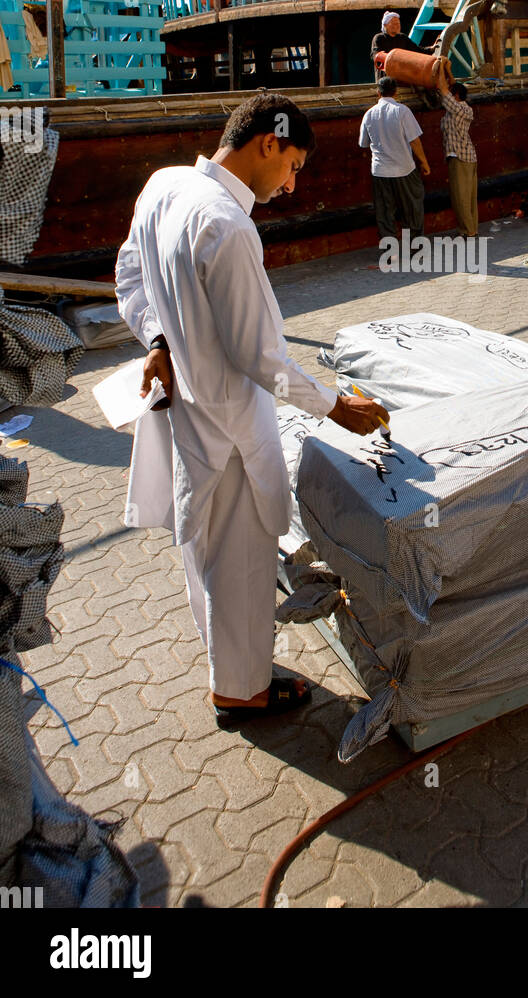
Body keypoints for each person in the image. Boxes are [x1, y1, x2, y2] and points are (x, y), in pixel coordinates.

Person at [115, 91, 389, 727]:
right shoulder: (227, 227)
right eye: (293, 165)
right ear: (269, 142)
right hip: (231, 424)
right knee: (241, 560)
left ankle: (229, 667)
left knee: (203, 553)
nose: (293, 186)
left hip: (188, 413)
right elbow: (259, 355)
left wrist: (157, 337)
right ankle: (242, 692)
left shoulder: (164, 187)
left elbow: (131, 278)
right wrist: (333, 405)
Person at [359, 75, 429, 244]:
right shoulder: (402, 111)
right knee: (412, 208)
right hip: (404, 168)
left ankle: (390, 252)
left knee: (384, 212)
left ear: (378, 93)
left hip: (380, 171)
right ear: (396, 92)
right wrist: (424, 162)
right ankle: (414, 246)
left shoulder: (369, 115)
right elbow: (414, 141)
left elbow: (363, 143)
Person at [436, 63, 478, 238]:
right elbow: (449, 90)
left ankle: (467, 230)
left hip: (459, 156)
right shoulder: (463, 109)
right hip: (467, 156)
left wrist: (438, 69)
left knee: (460, 196)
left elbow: (443, 91)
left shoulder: (458, 109)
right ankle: (471, 228)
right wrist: (448, 71)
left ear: (457, 96)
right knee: (469, 196)